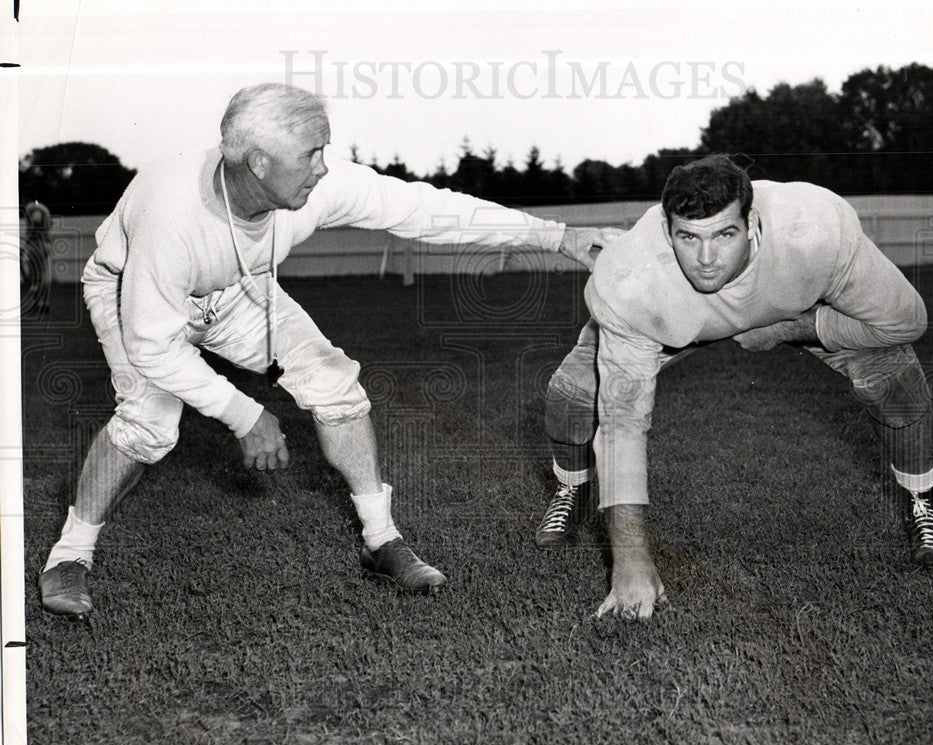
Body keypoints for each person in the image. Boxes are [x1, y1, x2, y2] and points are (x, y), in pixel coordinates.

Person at [38, 82, 617, 618]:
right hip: (131, 292)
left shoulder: (316, 184)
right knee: (150, 421)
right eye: (311, 154)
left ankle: (381, 539)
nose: (323, 167)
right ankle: (70, 554)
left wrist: (556, 235)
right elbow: (154, 346)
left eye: (324, 150)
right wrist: (247, 415)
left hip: (239, 290)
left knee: (335, 384)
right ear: (257, 163)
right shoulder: (172, 214)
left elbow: (424, 209)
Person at [537, 154, 933, 619]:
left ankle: (923, 502)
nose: (706, 259)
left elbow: (906, 320)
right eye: (688, 237)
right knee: (572, 397)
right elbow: (623, 422)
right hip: (676, 324)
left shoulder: (815, 229)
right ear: (665, 231)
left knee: (897, 381)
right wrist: (631, 561)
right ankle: (570, 488)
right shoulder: (629, 278)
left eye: (724, 234)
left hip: (795, 310)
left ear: (753, 222)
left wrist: (793, 329)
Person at [20, 200, 52, 315]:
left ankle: (36, 304)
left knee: (34, 275)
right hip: (46, 243)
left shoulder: (31, 209)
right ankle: (44, 303)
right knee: (42, 274)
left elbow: (34, 225)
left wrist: (26, 245)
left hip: (36, 244)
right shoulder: (44, 208)